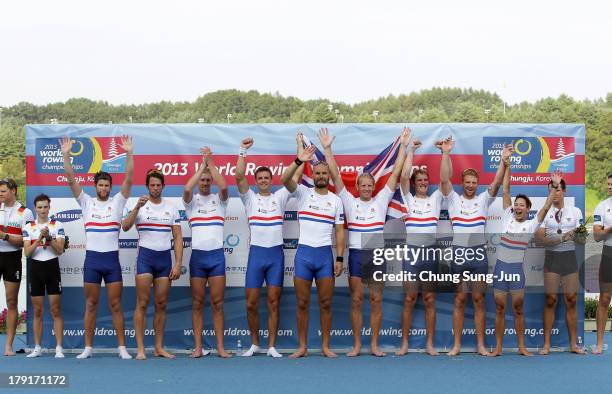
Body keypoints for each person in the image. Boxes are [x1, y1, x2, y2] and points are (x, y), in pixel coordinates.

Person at [319, 127, 409, 357]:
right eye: (363, 185)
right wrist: (327, 148)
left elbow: (396, 172)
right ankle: (358, 345)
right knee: (357, 300)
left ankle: (375, 345)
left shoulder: (381, 200)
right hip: (357, 255)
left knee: (376, 299)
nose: (367, 188)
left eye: (370, 185)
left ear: (373, 188)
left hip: (376, 256)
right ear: (357, 187)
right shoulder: (348, 200)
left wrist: (403, 147)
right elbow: (336, 175)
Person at [60, 135, 134, 359]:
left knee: (115, 305)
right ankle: (88, 348)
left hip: (111, 261)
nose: (104, 188)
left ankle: (122, 348)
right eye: (100, 185)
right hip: (92, 260)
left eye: (107, 185)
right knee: (90, 304)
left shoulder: (118, 202)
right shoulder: (86, 202)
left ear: (111, 187)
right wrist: (65, 155)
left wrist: (129, 153)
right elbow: (72, 180)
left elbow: (129, 179)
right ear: (95, 186)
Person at [234, 134, 304, 358]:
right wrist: (242, 152)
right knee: (251, 303)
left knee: (274, 301)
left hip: (275, 255)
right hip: (256, 255)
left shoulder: (281, 197)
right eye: (260, 178)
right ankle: (255, 344)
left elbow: (295, 176)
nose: (263, 180)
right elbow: (238, 176)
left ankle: (272, 346)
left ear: (271, 180)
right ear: (256, 181)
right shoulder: (249, 199)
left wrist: (299, 152)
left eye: (267, 177)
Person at [445, 139, 511, 356]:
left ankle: (481, 345)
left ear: (477, 183)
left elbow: (498, 182)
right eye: (467, 182)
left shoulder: (484, 199)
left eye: (474, 182)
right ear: (462, 183)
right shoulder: (453, 200)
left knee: (478, 299)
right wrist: (446, 153)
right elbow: (444, 179)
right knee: (460, 298)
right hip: (459, 254)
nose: (471, 185)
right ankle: (456, 345)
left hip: (478, 254)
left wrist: (503, 161)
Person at [281, 142, 345, 358]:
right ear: (313, 174)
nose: (321, 176)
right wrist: (299, 160)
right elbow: (284, 179)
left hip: (325, 257)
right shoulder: (303, 194)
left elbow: (340, 231)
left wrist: (339, 258)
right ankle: (302, 347)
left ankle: (326, 346)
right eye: (317, 172)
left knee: (326, 303)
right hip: (304, 256)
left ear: (328, 175)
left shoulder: (336, 201)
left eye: (324, 173)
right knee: (302, 303)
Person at [491, 158, 560, 356]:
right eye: (517, 204)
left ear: (528, 209)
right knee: (500, 308)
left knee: (518, 308)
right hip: (501, 269)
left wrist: (554, 186)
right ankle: (498, 347)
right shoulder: (507, 217)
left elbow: (546, 207)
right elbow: (506, 190)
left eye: (522, 205)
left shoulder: (531, 225)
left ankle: (522, 346)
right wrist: (508, 165)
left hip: (516, 271)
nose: (518, 207)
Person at [396, 135, 453, 356]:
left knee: (429, 299)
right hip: (411, 256)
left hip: (429, 256)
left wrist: (444, 153)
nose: (422, 183)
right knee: (409, 299)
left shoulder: (436, 199)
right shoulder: (408, 199)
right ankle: (404, 344)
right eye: (419, 180)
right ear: (414, 183)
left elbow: (445, 179)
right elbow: (402, 176)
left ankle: (430, 343)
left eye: (425, 181)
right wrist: (411, 151)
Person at [122, 169, 183, 360]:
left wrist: (178, 263)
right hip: (145, 258)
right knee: (142, 303)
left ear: (163, 186)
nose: (155, 188)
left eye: (158, 185)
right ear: (147, 186)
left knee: (161, 304)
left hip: (164, 259)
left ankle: (158, 347)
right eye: (152, 185)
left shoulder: (172, 207)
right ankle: (140, 349)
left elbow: (178, 236)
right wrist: (136, 208)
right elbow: (125, 226)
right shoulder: (139, 204)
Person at [183, 147, 231, 358]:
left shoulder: (220, 201)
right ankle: (198, 348)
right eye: (201, 180)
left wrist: (210, 164)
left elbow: (224, 185)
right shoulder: (191, 203)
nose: (204, 183)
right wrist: (202, 166)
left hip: (216, 257)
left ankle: (220, 347)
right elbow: (186, 188)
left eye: (207, 180)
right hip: (198, 259)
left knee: (218, 304)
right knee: (197, 303)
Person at [535, 177, 586, 355]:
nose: (554, 193)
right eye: (551, 190)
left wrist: (577, 235)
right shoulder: (544, 213)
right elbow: (539, 239)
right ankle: (546, 344)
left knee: (571, 300)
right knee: (551, 299)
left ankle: (574, 344)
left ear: (564, 191)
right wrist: (561, 237)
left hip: (570, 258)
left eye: (557, 189)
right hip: (552, 259)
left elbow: (583, 240)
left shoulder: (576, 211)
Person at [23, 194, 66, 358]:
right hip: (36, 268)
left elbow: (60, 250)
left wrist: (49, 237)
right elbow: (27, 252)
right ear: (35, 208)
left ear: (49, 207)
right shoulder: (29, 227)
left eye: (45, 207)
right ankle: (37, 347)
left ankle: (59, 348)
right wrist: (40, 237)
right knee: (38, 311)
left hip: (52, 267)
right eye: (39, 207)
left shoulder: (57, 225)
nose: (42, 210)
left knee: (56, 310)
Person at [0, 178, 34, 356]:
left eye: (3, 191)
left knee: (11, 301)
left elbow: (25, 241)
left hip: (12, 258)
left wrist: (5, 236)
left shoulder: (25, 212)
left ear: (13, 191)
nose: (0, 194)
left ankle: (8, 345)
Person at [593, 171, 612, 354]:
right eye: (608, 184)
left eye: (611, 184)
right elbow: (597, 236)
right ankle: (599, 343)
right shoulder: (602, 206)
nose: (609, 187)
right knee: (605, 299)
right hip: (609, 254)